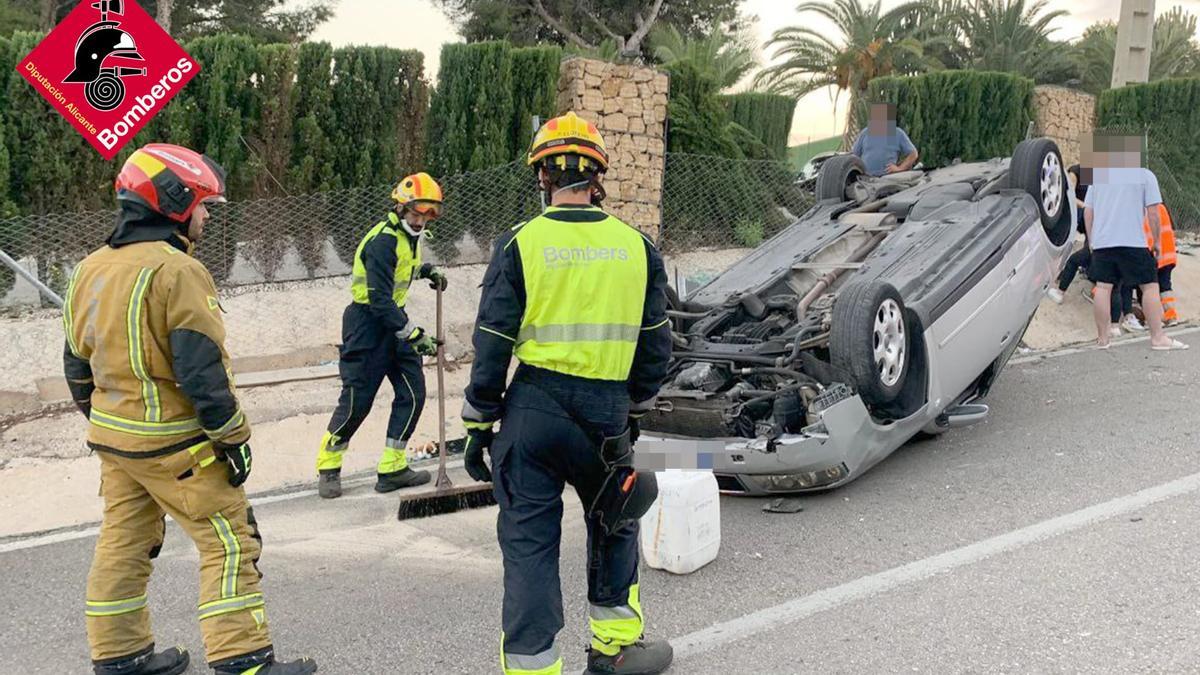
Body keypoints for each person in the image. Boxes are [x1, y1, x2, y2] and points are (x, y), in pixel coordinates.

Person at [63, 144, 317, 675]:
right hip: (177, 444)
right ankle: (243, 661)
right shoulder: (177, 271)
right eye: (202, 204)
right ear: (175, 202)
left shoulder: (88, 268)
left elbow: (76, 367)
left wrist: (113, 420)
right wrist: (232, 440)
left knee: (123, 544)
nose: (206, 215)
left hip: (115, 442)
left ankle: (119, 657)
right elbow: (201, 372)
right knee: (230, 542)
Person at [460, 111, 674, 675]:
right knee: (615, 523)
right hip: (606, 415)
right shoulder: (638, 247)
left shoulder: (520, 243)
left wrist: (480, 421)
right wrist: (635, 405)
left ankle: (533, 667)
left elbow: (492, 343)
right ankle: (616, 648)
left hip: (532, 411)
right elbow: (656, 345)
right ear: (597, 177)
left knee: (529, 543)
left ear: (542, 178)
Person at [314, 173, 448, 499]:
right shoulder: (382, 241)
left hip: (394, 322)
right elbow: (379, 300)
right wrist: (415, 335)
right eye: (415, 213)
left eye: (427, 215)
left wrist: (426, 270)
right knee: (358, 401)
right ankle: (329, 465)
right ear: (401, 209)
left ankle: (392, 467)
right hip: (367, 324)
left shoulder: (410, 239)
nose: (420, 221)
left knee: (413, 394)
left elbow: (401, 270)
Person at [1083, 133, 1186, 350]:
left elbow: (1088, 212)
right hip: (1133, 242)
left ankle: (1103, 339)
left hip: (1103, 243)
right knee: (1149, 286)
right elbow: (1154, 213)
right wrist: (1156, 242)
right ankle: (1157, 337)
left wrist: (1092, 240)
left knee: (1103, 287)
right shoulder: (1145, 175)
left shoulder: (1098, 177)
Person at [1048, 164, 1090, 303]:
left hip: (1088, 214)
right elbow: (1070, 195)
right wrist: (1086, 206)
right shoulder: (1076, 171)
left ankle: (1086, 267)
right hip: (1075, 211)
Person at [851, 103, 920, 177]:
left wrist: (899, 168)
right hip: (866, 178)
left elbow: (913, 154)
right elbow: (854, 155)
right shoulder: (865, 132)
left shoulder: (897, 133)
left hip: (887, 178)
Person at [1144, 202, 1180, 325]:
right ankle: (1171, 315)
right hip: (1168, 255)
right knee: (1165, 286)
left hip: (1153, 255)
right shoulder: (1162, 208)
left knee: (1150, 288)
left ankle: (1154, 319)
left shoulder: (1144, 211)